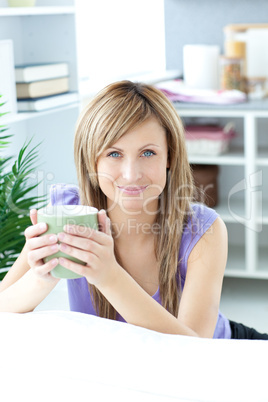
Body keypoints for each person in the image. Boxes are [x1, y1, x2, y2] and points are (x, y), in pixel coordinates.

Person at [0, 80, 267, 340]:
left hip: (224, 348)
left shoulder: (203, 229)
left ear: (170, 157)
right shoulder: (66, 214)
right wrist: (41, 278)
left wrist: (109, 276)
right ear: (91, 159)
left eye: (148, 153)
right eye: (114, 154)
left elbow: (193, 348)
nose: (131, 175)